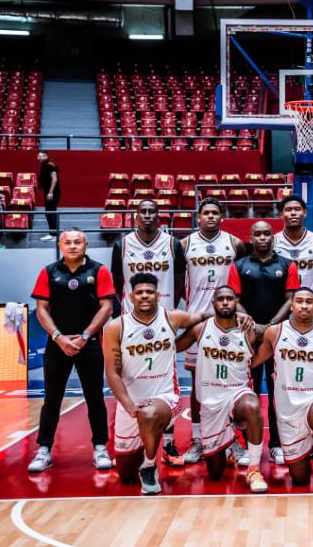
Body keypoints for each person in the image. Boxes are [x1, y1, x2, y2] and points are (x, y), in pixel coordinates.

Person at [103, 273, 216, 495]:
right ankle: (141, 459)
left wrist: (237, 315)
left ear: (157, 295)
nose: (144, 296)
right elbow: (113, 373)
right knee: (126, 475)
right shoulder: (116, 327)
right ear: (131, 296)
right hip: (131, 404)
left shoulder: (172, 318)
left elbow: (203, 316)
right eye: (139, 292)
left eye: (149, 292)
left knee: (149, 414)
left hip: (167, 398)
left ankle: (148, 466)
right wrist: (128, 405)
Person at [27, 228, 115, 473]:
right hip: (58, 345)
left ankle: (100, 447)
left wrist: (85, 336)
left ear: (86, 244)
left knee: (95, 398)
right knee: (51, 399)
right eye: (68, 242)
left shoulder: (99, 271)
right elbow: (41, 309)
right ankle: (44, 449)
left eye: (78, 242)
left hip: (90, 344)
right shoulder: (49, 272)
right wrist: (58, 337)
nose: (73, 246)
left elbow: (106, 307)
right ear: (60, 245)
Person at [111, 198, 187, 466]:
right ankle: (130, 438)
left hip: (162, 322)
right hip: (131, 324)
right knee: (129, 379)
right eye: (142, 211)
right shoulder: (121, 244)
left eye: (152, 211)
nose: (147, 215)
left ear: (159, 216)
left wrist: (167, 313)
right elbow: (117, 281)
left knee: (166, 383)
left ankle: (168, 445)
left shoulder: (172, 244)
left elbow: (179, 281)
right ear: (135, 216)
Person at [253, 287, 313, 499]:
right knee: (300, 477)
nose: (304, 305)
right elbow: (255, 361)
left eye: (309, 302)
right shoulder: (274, 333)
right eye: (300, 301)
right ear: (292, 306)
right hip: (288, 412)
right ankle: (304, 450)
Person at [176, 285, 269, 493]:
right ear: (214, 303)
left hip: (237, 393)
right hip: (211, 402)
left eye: (229, 299)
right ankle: (227, 446)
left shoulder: (249, 329)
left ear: (236, 302)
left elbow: (278, 333)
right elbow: (173, 346)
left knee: (252, 406)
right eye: (221, 299)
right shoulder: (201, 329)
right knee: (215, 474)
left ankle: (254, 469)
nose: (225, 302)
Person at [227, 220, 299, 465]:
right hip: (248, 338)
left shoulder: (287, 265)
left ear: (273, 237)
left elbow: (291, 301)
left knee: (278, 393)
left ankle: (277, 444)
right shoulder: (239, 265)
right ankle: (249, 445)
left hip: (278, 337)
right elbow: (233, 299)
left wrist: (269, 327)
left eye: (267, 234)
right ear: (250, 237)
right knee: (250, 393)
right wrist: (250, 322)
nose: (262, 238)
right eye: (257, 234)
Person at [181, 197, 246, 464]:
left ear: (222, 216)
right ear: (198, 217)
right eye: (205, 213)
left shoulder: (235, 244)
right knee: (198, 387)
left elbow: (241, 280)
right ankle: (198, 440)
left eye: (215, 213)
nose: (210, 217)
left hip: (230, 323)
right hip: (199, 323)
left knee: (232, 383)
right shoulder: (184, 245)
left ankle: (232, 442)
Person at [273, 194, 313, 322]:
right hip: (279, 309)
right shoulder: (273, 243)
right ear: (281, 215)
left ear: (304, 213)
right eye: (288, 210)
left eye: (297, 209)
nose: (293, 213)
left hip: (308, 307)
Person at [37, 151, 61, 241]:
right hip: (49, 192)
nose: (38, 158)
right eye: (38, 156)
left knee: (51, 213)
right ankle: (52, 234)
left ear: (46, 156)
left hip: (52, 193)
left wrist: (51, 192)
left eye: (41, 156)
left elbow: (54, 179)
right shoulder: (45, 164)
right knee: (49, 213)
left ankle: (54, 235)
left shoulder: (49, 165)